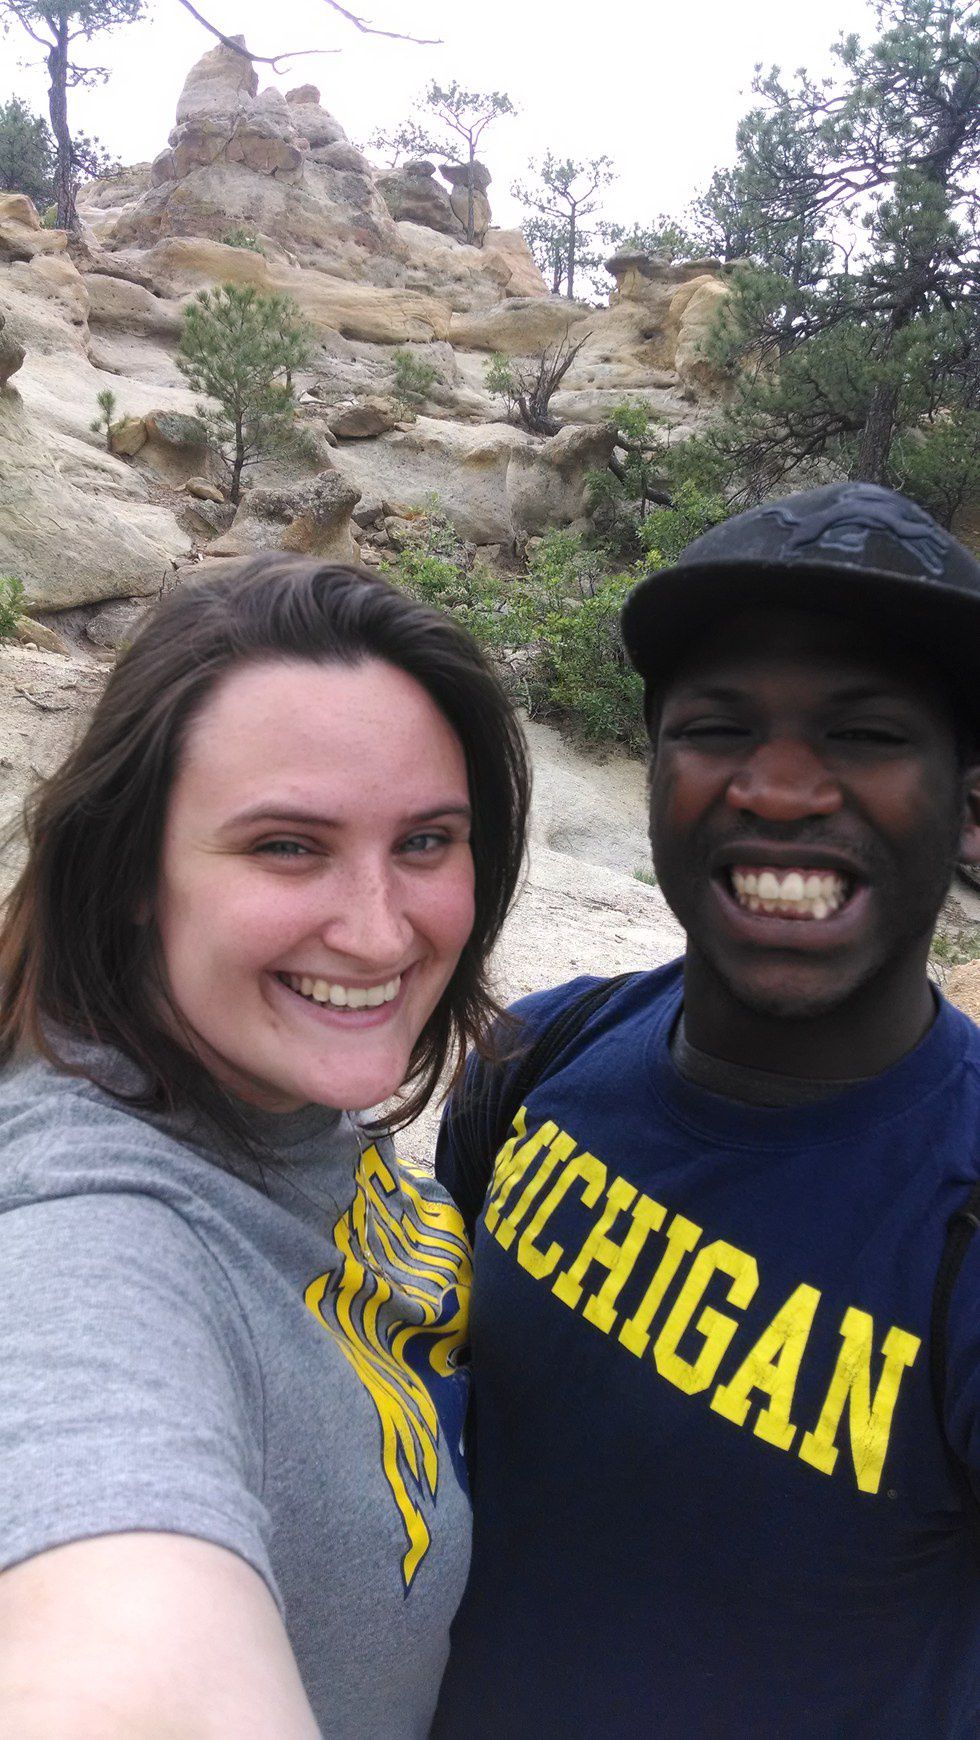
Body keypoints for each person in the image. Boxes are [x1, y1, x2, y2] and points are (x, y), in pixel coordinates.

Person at [433, 482, 980, 1739]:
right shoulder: (533, 1058)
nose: (776, 789)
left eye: (864, 733)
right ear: (653, 775)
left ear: (966, 809)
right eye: (716, 727)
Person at [0, 554, 530, 1738]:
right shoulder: (87, 1234)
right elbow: (112, 1638)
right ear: (131, 873)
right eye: (287, 846)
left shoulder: (272, 1084)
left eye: (425, 841)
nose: (379, 934)